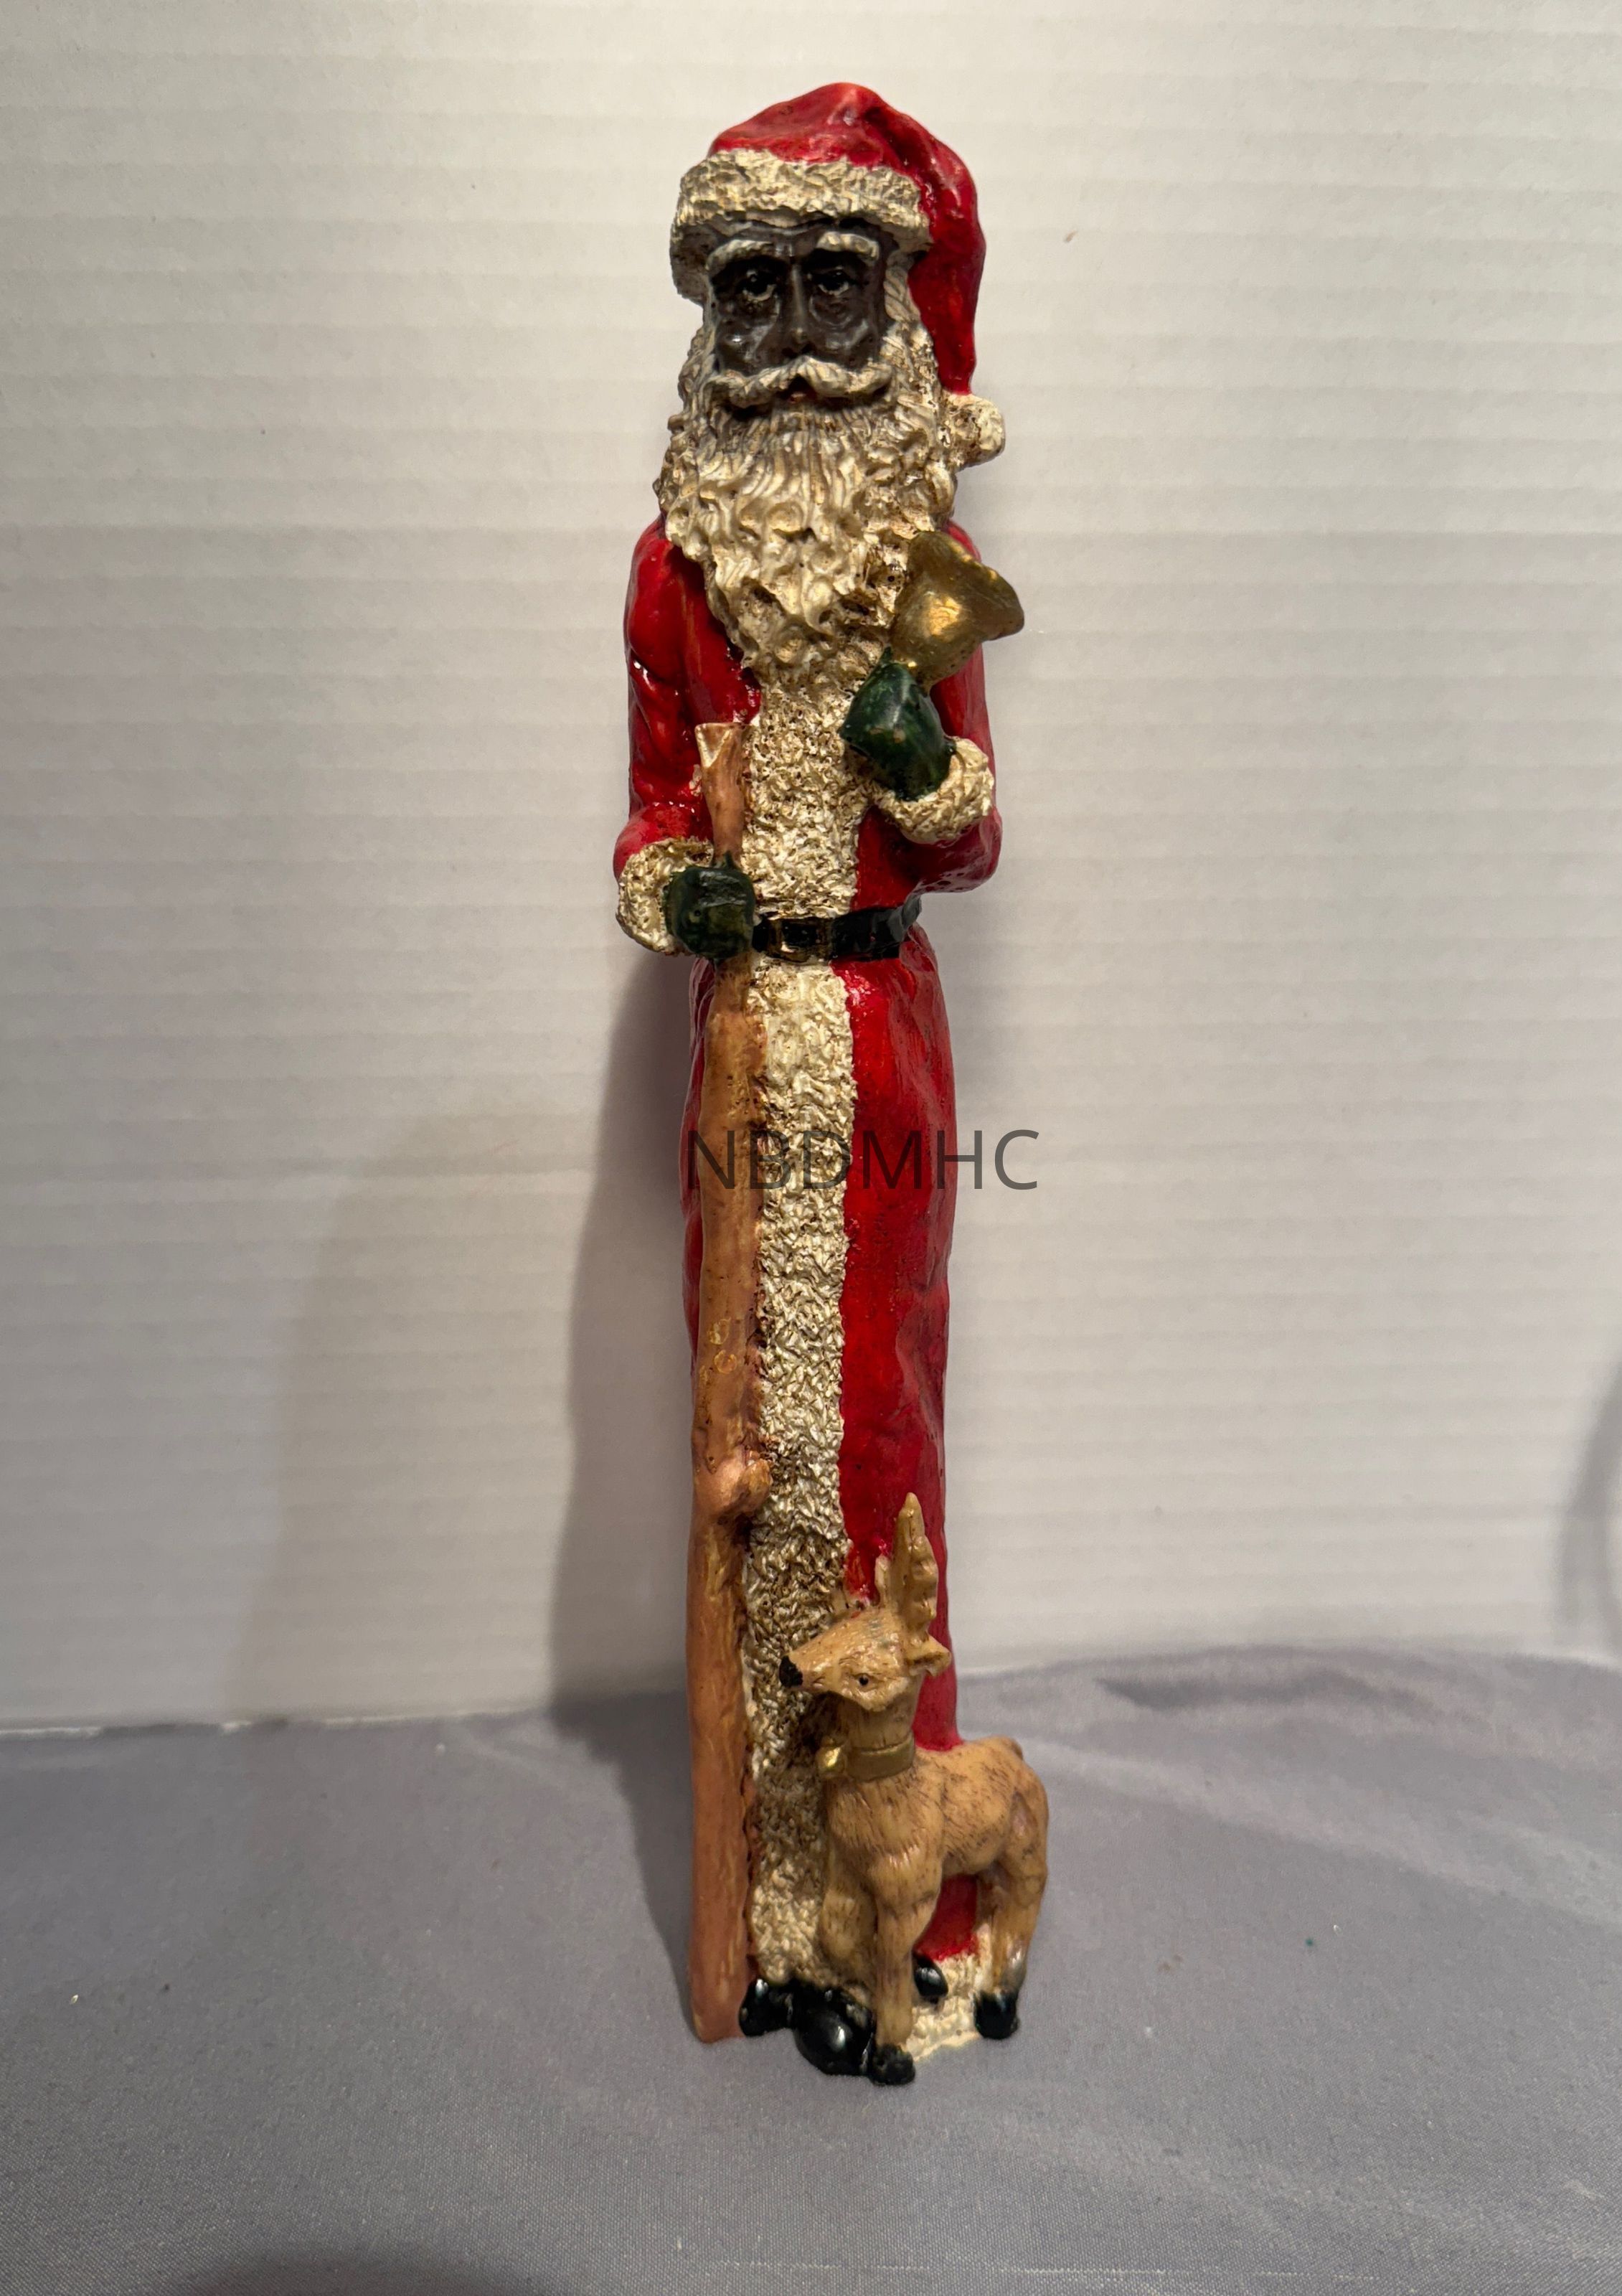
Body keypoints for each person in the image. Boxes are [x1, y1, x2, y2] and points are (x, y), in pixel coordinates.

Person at [613, 85, 1010, 2058]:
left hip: (881, 1048)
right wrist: (672, 885)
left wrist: (918, 764)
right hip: (744, 1056)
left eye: (826, 290)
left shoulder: (924, 559)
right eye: (746, 293)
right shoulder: (673, 571)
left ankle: (892, 1912)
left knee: (876, 1427)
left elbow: (973, 839)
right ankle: (764, 1903)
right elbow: (643, 813)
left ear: (891, 307)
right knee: (739, 1457)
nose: (782, 343)